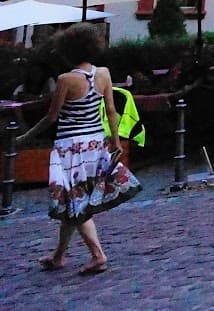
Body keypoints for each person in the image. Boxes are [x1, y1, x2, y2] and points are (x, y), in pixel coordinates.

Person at [17, 23, 141, 276]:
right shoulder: (103, 74)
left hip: (70, 147)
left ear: (66, 51)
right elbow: (111, 110)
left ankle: (97, 255)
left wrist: (24, 137)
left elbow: (52, 117)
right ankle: (59, 255)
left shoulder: (66, 79)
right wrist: (115, 141)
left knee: (76, 203)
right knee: (74, 203)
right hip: (95, 143)